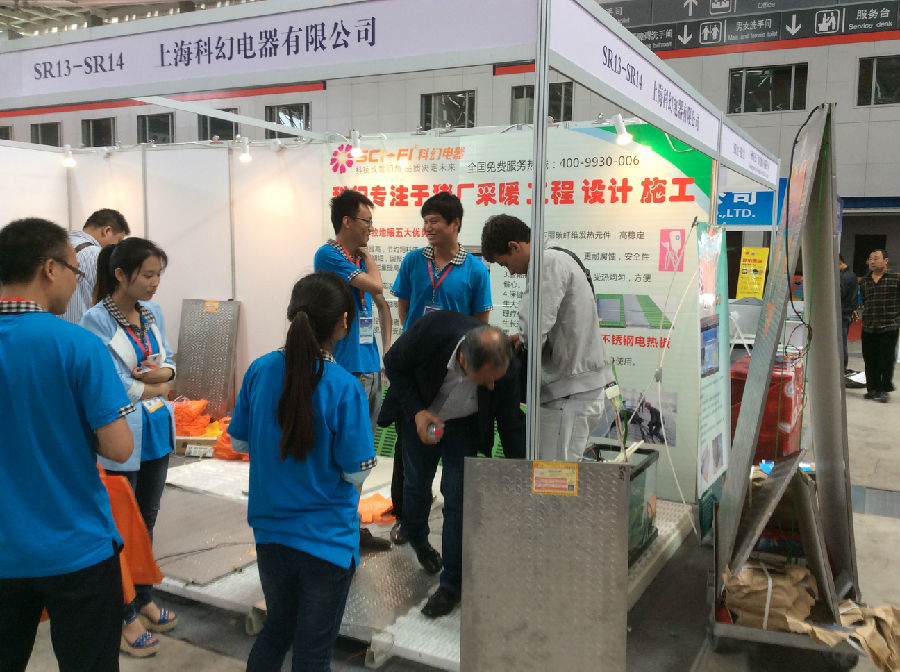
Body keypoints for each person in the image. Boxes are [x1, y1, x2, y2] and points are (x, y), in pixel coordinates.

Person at [0, 217, 134, 672]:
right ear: (50, 269)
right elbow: (119, 449)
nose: (78, 283)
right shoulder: (78, 345)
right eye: (76, 271)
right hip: (74, 547)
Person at [228, 272, 376, 672]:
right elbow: (356, 472)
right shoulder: (345, 387)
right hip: (326, 540)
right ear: (343, 322)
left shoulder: (259, 370)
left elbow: (239, 442)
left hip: (270, 533)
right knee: (313, 650)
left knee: (277, 628)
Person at [378, 313, 524, 618]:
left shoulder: (505, 369)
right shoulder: (432, 331)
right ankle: (419, 540)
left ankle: (451, 585)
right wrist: (417, 412)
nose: (492, 386)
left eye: (495, 379)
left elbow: (510, 422)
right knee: (416, 486)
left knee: (458, 500)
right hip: (422, 414)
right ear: (463, 360)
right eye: (484, 379)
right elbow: (393, 364)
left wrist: (520, 470)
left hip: (464, 427)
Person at [80, 237, 179, 656]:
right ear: (120, 274)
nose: (155, 283)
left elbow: (170, 362)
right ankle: (123, 614)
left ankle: (144, 596)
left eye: (158, 275)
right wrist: (155, 383)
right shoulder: (95, 321)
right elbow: (112, 385)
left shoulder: (152, 313)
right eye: (148, 275)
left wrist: (161, 377)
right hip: (121, 436)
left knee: (146, 521)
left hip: (156, 430)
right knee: (119, 528)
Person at [388, 191, 493, 543]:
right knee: (409, 457)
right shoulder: (413, 261)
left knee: (454, 466)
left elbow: (480, 323)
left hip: (455, 371)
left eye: (435, 221)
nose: (428, 227)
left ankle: (453, 535)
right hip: (416, 366)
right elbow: (404, 306)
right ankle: (406, 520)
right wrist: (417, 338)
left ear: (455, 223)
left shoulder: (475, 270)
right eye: (425, 221)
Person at [480, 214, 614, 461]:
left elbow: (533, 327)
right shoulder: (561, 256)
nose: (511, 272)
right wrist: (523, 337)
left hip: (569, 394)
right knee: (561, 472)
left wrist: (524, 338)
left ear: (514, 246)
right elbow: (556, 321)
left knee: (553, 476)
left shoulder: (546, 262)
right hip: (577, 389)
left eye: (506, 264)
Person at [314, 189, 392, 552]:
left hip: (370, 367)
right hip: (346, 371)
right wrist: (369, 256)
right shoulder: (329, 254)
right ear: (346, 221)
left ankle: (351, 526)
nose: (370, 229)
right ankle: (337, 527)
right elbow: (376, 285)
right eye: (366, 221)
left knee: (362, 454)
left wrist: (386, 351)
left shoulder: (352, 259)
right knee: (343, 454)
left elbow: (382, 303)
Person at [61, 208, 130, 324]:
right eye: (118, 241)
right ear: (106, 231)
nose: (117, 248)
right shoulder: (99, 256)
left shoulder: (57, 246)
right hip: (82, 329)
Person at [858, 249, 899, 403]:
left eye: (876, 258)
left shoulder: (896, 278)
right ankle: (872, 388)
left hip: (889, 326)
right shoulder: (865, 281)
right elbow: (865, 301)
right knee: (869, 359)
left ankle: (883, 389)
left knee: (885, 360)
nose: (872, 262)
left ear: (886, 260)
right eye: (870, 259)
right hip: (868, 326)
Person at [839, 254, 859, 373]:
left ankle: (842, 369)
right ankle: (842, 368)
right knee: (841, 342)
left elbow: (840, 294)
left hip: (842, 313)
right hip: (847, 312)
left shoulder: (844, 277)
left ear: (839, 263)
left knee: (841, 343)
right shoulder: (851, 275)